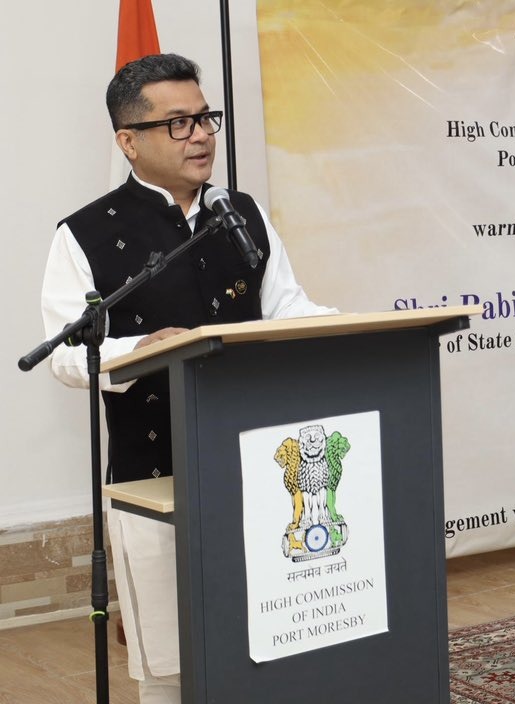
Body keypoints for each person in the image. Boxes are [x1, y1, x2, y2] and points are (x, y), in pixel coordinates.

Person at [40, 54, 337, 704]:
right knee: (170, 663)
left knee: (267, 634)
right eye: (178, 123)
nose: (201, 135)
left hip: (260, 462)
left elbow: (287, 309)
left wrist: (358, 327)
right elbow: (65, 354)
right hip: (153, 474)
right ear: (129, 141)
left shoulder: (242, 214)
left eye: (206, 118)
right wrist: (139, 348)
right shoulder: (85, 234)